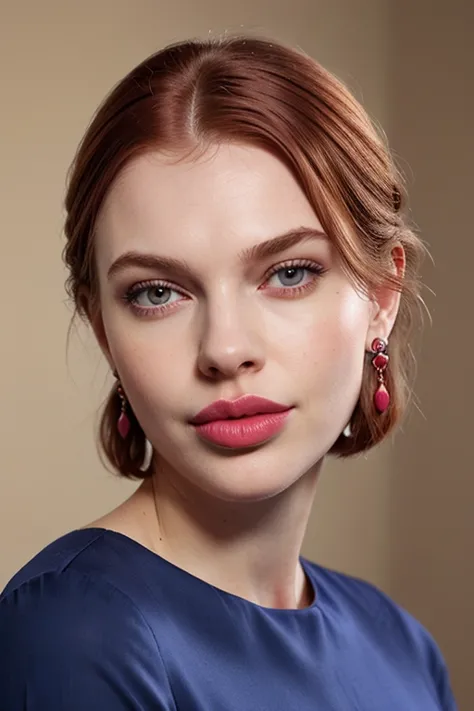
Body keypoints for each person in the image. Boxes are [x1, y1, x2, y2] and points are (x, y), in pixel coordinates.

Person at [0, 35, 457, 710]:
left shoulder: (403, 648)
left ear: (381, 298)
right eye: (157, 291)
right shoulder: (74, 631)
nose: (225, 347)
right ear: (103, 328)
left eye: (289, 273)